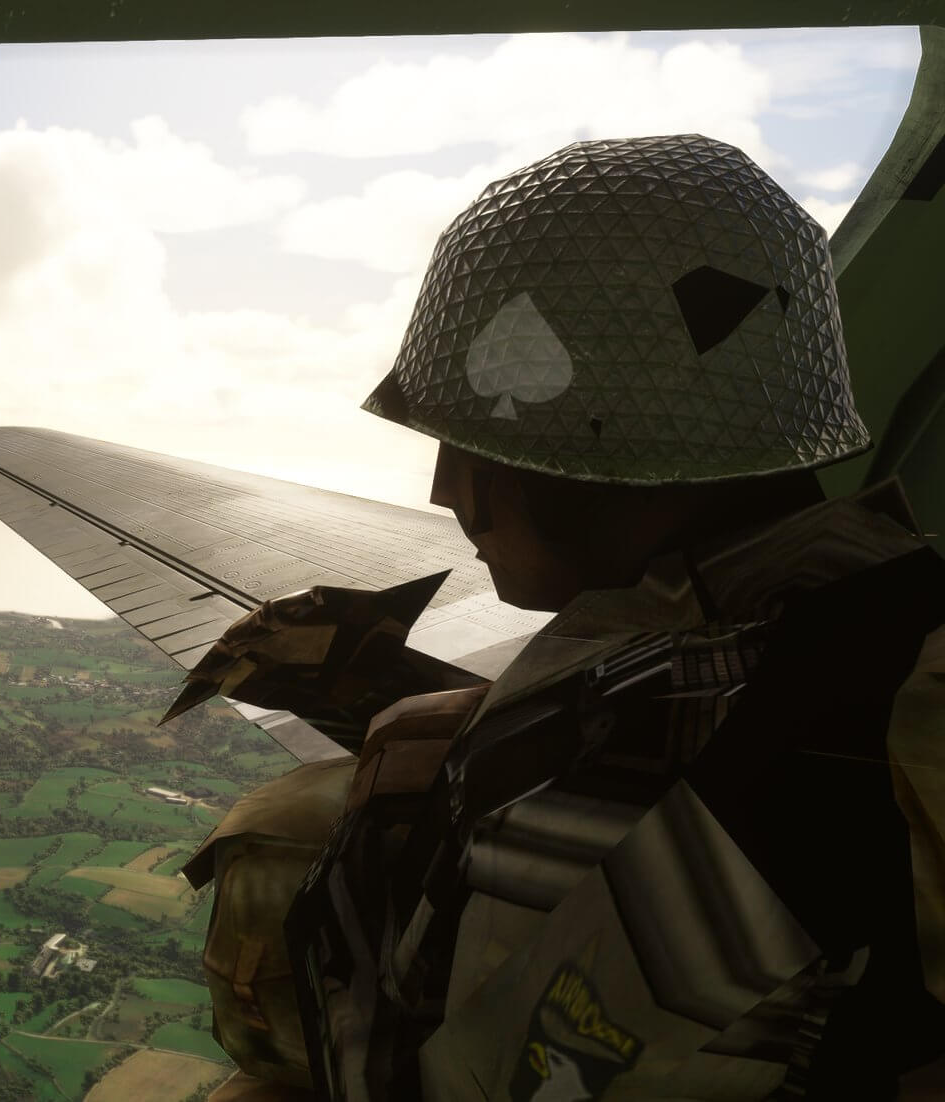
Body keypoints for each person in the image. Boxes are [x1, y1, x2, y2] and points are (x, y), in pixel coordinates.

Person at [186, 134, 945, 1101]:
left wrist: (408, 805)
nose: (447, 488)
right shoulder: (889, 605)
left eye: (485, 446)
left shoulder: (640, 787)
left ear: (613, 446)